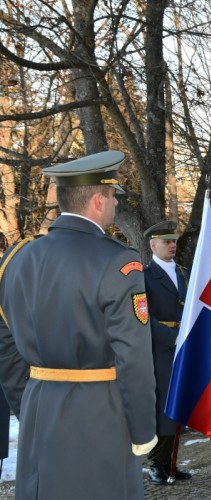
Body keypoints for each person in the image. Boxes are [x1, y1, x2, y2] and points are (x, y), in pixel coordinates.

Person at [0, 151, 157, 499]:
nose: (116, 203)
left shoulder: (16, 259)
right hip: (99, 410)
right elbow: (134, 357)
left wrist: (27, 404)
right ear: (98, 201)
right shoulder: (118, 261)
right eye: (113, 195)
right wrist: (143, 430)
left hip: (38, 405)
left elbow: (5, 345)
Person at [143, 220, 192, 483]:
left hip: (184, 345)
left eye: (174, 241)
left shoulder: (184, 273)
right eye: (167, 242)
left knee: (180, 403)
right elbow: (143, 319)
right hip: (161, 349)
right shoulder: (145, 276)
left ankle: (171, 461)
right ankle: (156, 463)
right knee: (163, 405)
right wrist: (174, 338)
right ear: (153, 245)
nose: (172, 245)